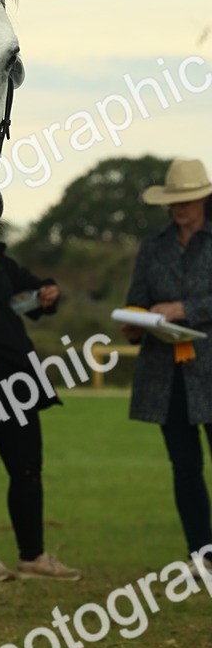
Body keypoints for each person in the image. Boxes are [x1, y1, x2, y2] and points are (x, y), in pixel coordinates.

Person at [0, 240, 82, 581]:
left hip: (18, 380)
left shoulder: (0, 259)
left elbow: (32, 288)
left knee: (27, 470)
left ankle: (33, 555)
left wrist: (46, 292)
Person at [120, 158, 212, 574]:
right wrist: (135, 322)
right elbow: (137, 296)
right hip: (167, 374)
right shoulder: (153, 246)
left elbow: (191, 305)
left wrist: (185, 309)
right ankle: (202, 553)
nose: (178, 208)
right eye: (172, 201)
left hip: (209, 370)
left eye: (185, 200)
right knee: (185, 466)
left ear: (202, 199)